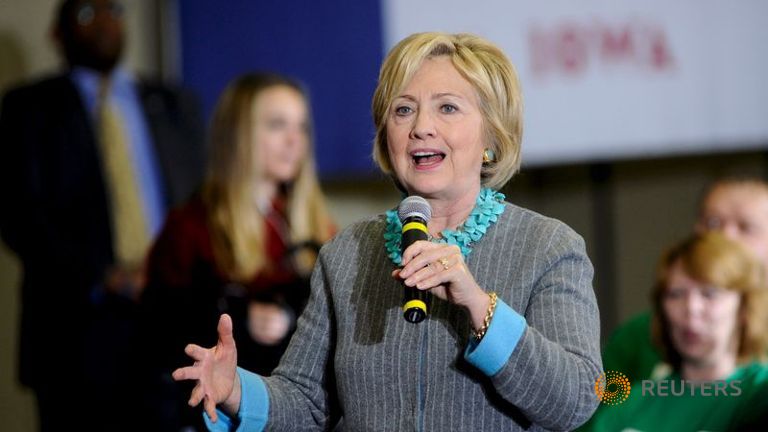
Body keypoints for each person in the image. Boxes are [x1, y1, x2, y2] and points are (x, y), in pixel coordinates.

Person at [170, 32, 602, 431]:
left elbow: (579, 399)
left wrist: (478, 305)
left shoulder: (548, 247)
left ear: (491, 134)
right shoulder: (346, 253)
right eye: (403, 109)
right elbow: (305, 401)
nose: (420, 127)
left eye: (447, 107)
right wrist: (235, 392)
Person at [0, 0, 205, 430]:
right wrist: (105, 275)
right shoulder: (28, 108)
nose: (106, 23)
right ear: (57, 34)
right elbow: (21, 217)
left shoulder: (173, 103)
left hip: (170, 323)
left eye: (113, 9)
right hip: (74, 333)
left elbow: (201, 200)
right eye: (88, 14)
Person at [141, 72, 336, 430]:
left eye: (302, 127)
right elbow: (157, 330)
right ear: (239, 133)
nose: (295, 140)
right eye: (277, 125)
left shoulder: (317, 225)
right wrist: (241, 316)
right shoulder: (192, 226)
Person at [580, 232, 768, 431]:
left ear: (745, 308)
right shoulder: (635, 402)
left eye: (710, 294)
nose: (691, 308)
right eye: (676, 294)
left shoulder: (757, 393)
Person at [602, 178, 768, 383]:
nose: (725, 236)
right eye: (713, 223)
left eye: (746, 227)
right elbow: (604, 406)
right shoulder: (639, 336)